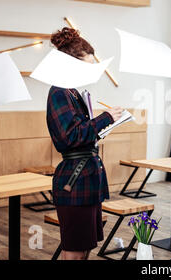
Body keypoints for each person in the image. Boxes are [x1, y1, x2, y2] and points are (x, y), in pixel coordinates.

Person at [46, 27, 123, 260]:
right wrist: (105, 118)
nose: (91, 71)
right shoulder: (59, 92)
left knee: (86, 245)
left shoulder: (73, 93)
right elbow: (69, 138)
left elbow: (80, 135)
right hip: (74, 182)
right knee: (75, 251)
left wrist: (100, 130)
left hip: (87, 181)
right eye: (87, 65)